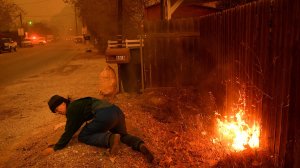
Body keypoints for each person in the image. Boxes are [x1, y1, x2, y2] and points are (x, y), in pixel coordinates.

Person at [43, 95, 154, 163]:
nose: (58, 112)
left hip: (105, 115)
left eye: (57, 109)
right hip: (117, 112)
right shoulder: (77, 104)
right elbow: (73, 127)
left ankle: (110, 139)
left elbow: (69, 131)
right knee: (123, 135)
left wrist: (56, 147)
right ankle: (140, 145)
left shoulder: (72, 109)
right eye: (56, 112)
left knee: (83, 136)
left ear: (63, 103)